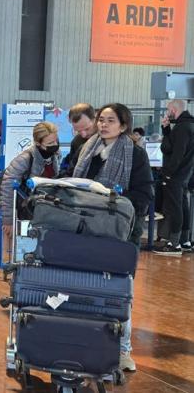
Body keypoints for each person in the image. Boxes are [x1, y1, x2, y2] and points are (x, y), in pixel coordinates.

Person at [72, 103, 154, 373]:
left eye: (110, 120)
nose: (103, 125)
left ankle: (122, 351)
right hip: (87, 228)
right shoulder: (85, 148)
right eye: (101, 119)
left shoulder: (136, 154)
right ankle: (87, 344)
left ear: (123, 125)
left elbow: (144, 196)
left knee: (120, 290)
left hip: (121, 232)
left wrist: (116, 206)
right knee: (86, 287)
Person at [0, 122, 61, 242]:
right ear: (38, 143)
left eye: (56, 141)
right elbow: (7, 187)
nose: (55, 145)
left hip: (41, 209)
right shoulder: (24, 159)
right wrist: (8, 219)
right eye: (50, 143)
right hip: (23, 210)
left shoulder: (55, 156)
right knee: (20, 246)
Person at [154, 99, 194, 255]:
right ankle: (184, 241)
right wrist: (166, 129)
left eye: (167, 109)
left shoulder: (182, 128)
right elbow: (171, 145)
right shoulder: (187, 125)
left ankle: (174, 243)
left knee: (175, 208)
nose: (166, 112)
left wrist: (168, 173)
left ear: (174, 110)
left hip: (175, 175)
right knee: (183, 206)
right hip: (185, 174)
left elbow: (176, 153)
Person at [62, 103, 97, 176]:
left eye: (87, 129)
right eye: (78, 131)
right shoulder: (76, 141)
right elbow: (71, 169)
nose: (84, 135)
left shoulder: (107, 139)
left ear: (95, 119)